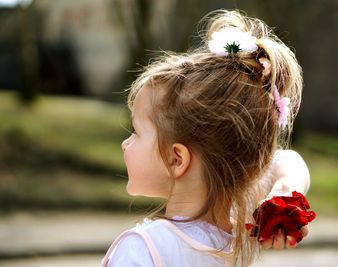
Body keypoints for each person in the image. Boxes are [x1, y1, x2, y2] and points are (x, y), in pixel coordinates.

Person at [102, 9, 309, 267]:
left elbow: (282, 161)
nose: (125, 143)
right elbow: (285, 162)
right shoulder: (234, 243)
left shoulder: (143, 248)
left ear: (177, 158)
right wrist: (287, 190)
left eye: (136, 132)